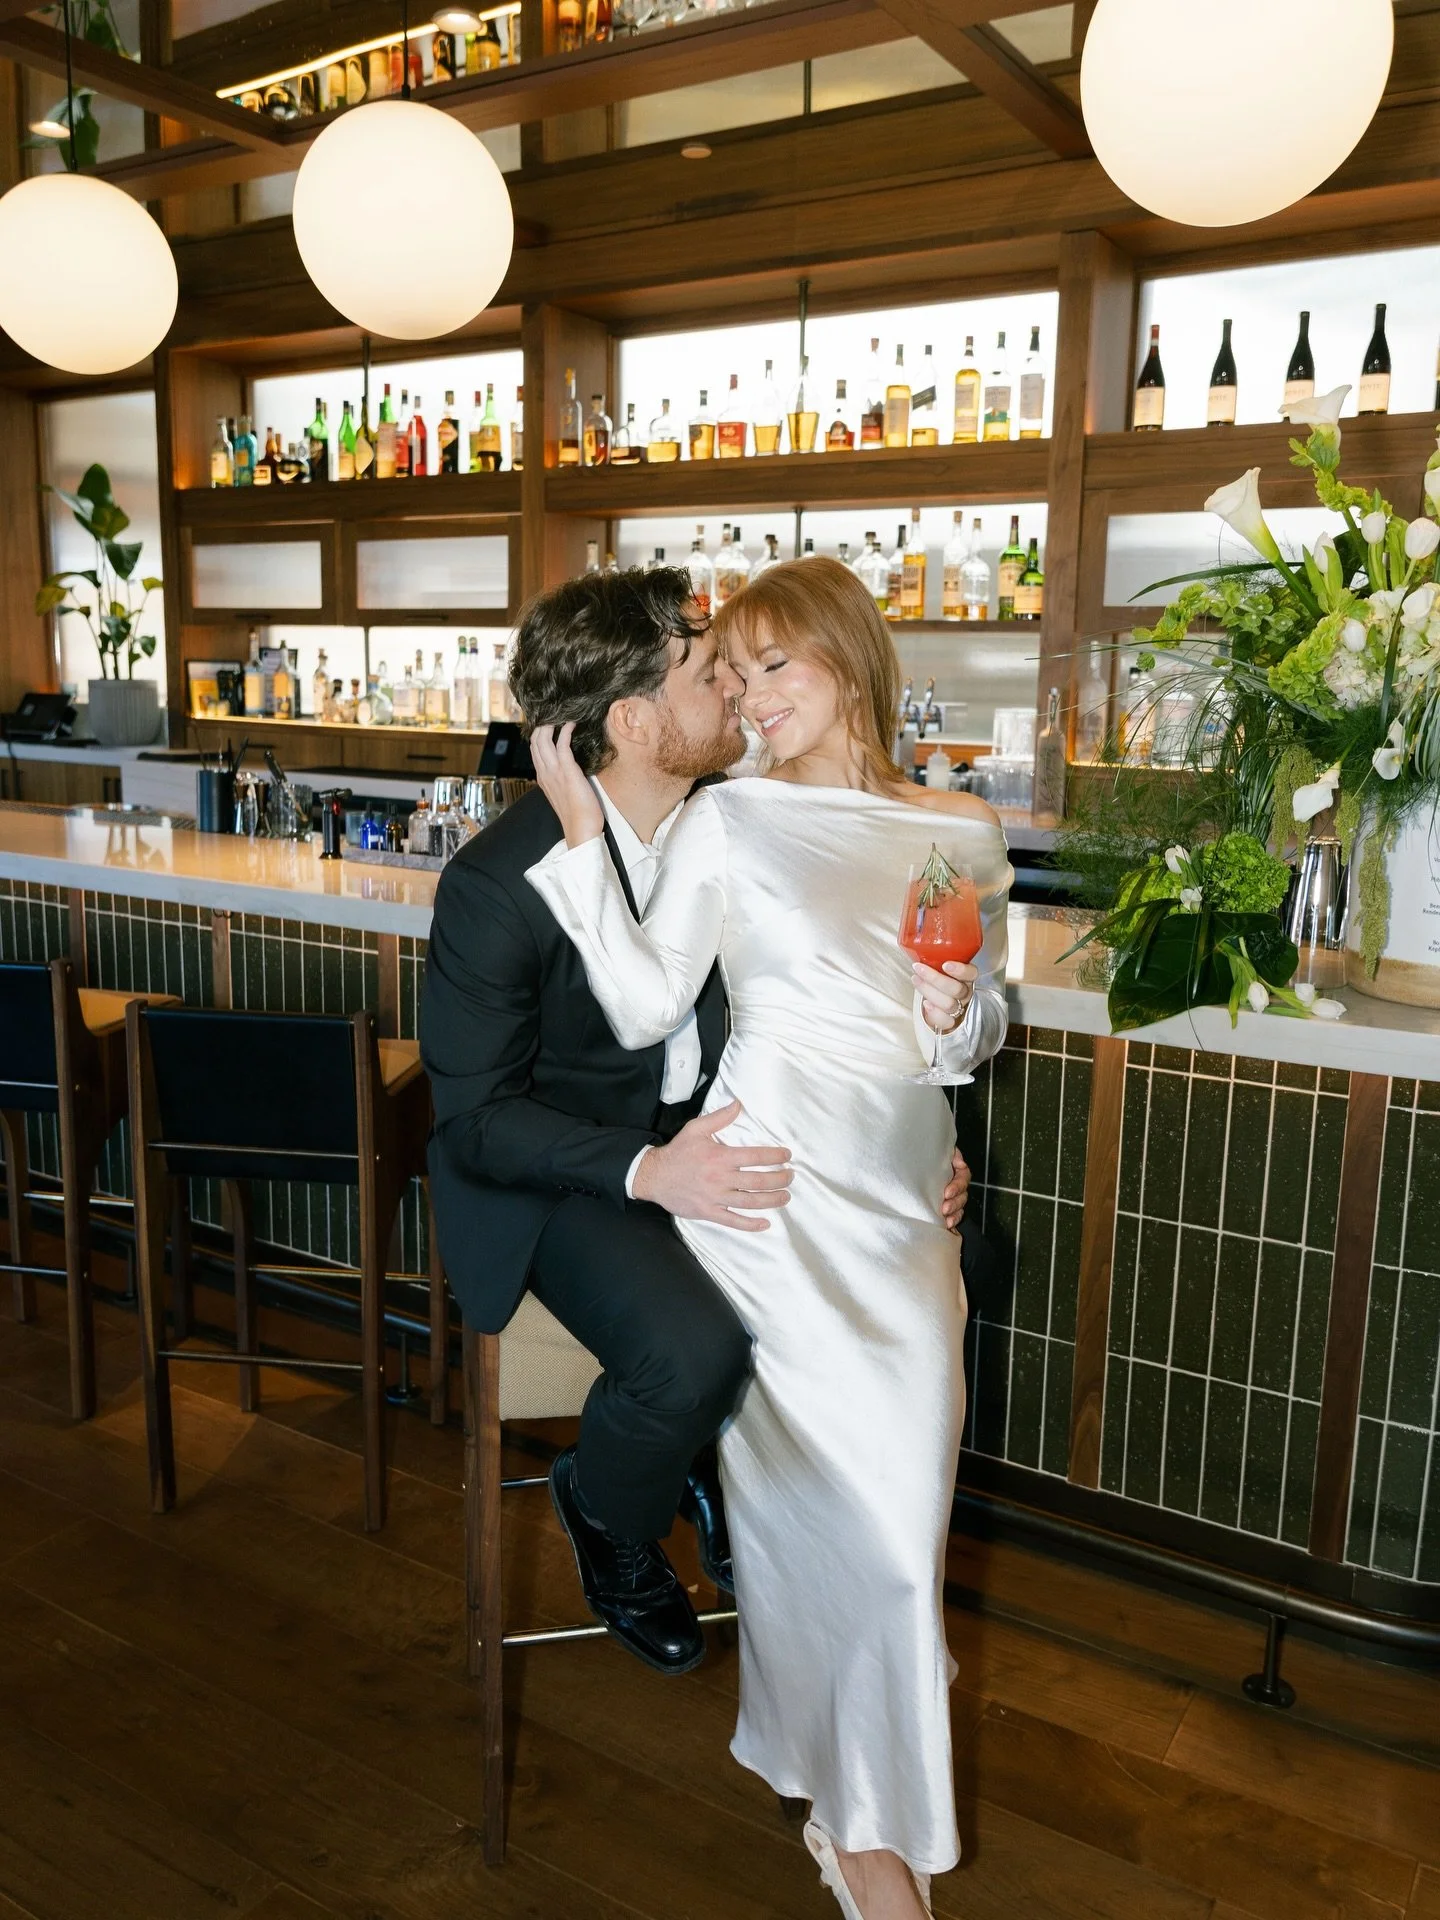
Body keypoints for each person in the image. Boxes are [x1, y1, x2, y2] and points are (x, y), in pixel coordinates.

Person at [525, 555, 1011, 1920]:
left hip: (909, 1221)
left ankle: (848, 1792)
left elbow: (975, 1037)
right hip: (773, 1206)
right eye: (728, 675)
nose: (745, 697)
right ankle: (870, 1846)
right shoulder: (731, 823)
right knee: (860, 1536)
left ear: (845, 662)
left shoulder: (958, 827)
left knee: (901, 1537)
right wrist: (575, 824)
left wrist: (948, 1013)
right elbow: (637, 1002)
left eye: (770, 667)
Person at [421, 566, 972, 1684]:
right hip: (570, 1176)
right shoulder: (497, 884)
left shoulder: (753, 818)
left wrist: (908, 1146)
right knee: (694, 1351)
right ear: (633, 720)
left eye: (747, 666)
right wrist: (647, 1172)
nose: (735, 688)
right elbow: (479, 1120)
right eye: (706, 669)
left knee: (887, 1289)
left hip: (725, 1142)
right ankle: (608, 1506)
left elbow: (860, 999)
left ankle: (802, 1593)